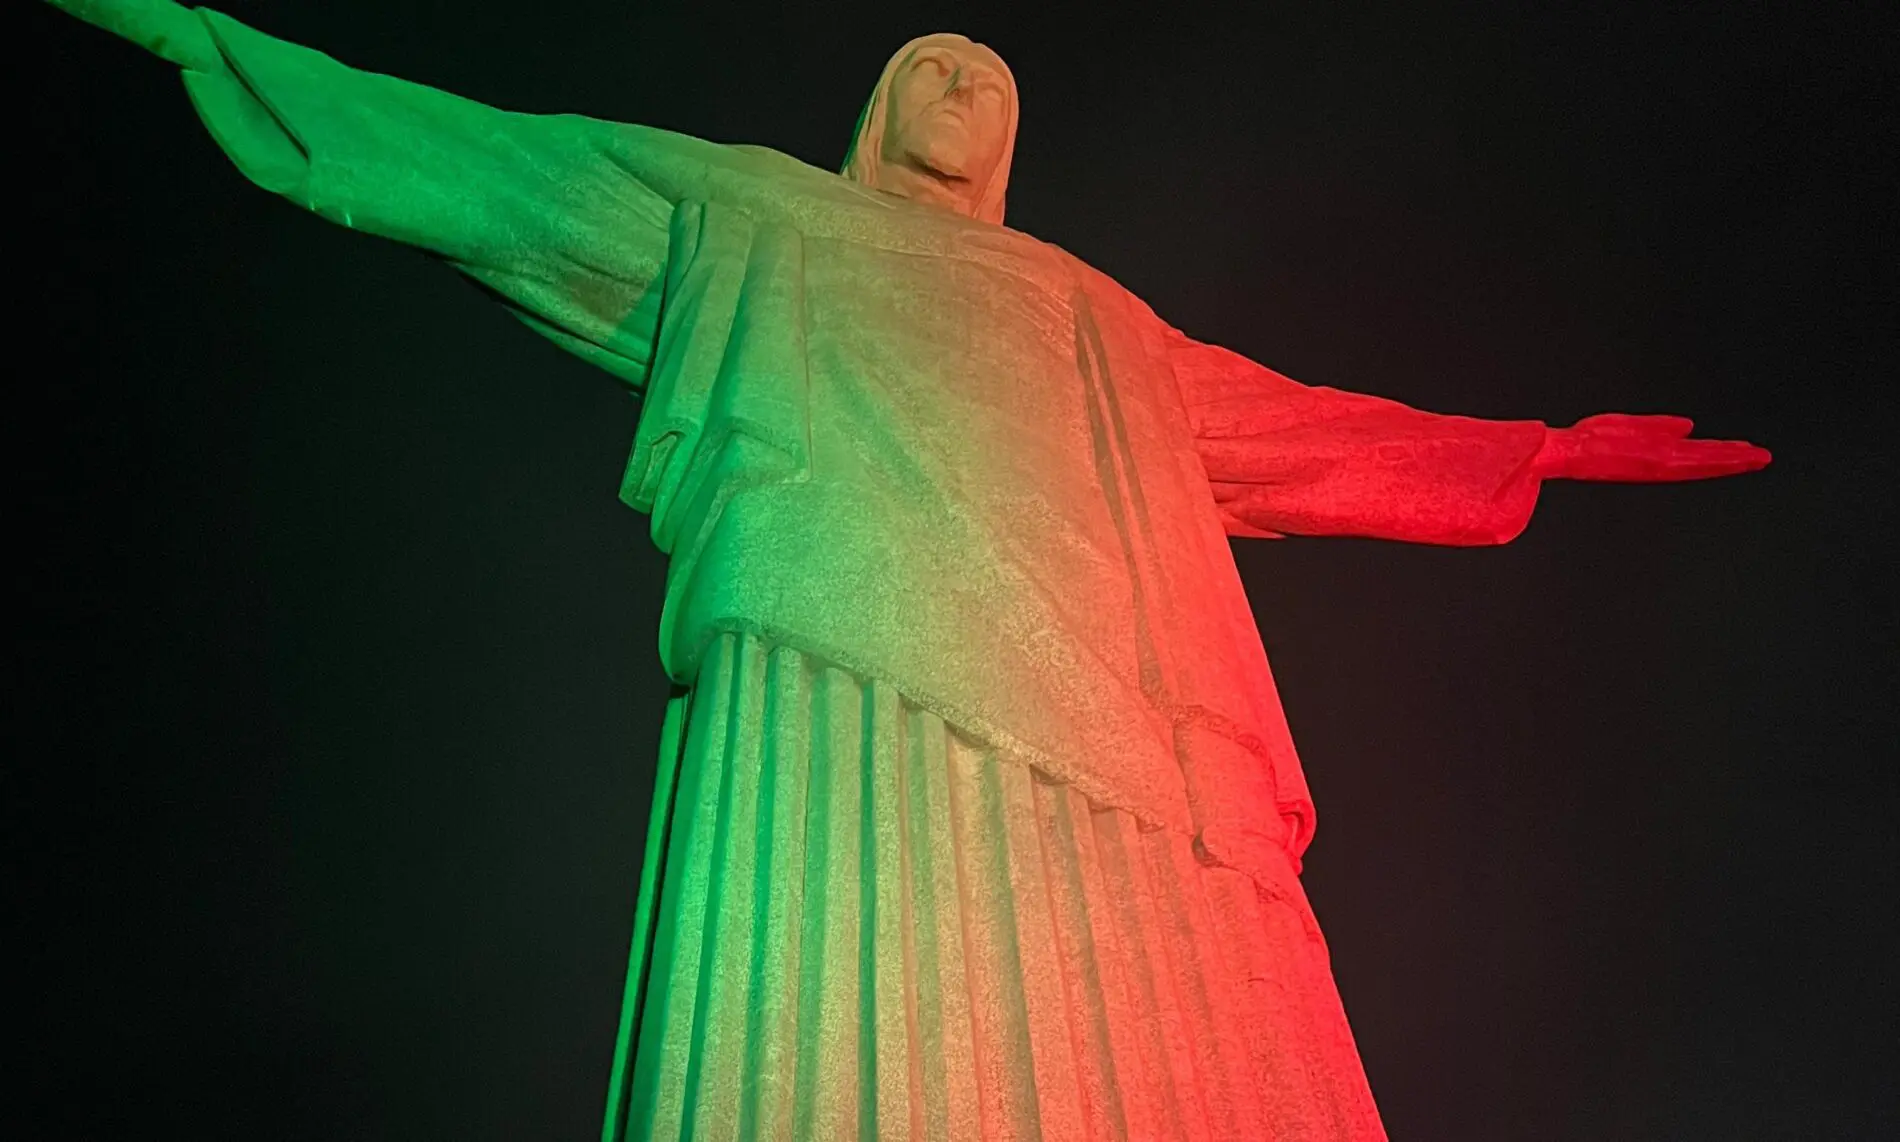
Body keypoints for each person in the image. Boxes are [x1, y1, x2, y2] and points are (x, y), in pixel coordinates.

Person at [42, 4, 1770, 1139]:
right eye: (938, 63)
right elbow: (517, 168)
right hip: (833, 658)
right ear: (882, 98)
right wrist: (224, 46)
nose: (964, 88)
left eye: (994, 83)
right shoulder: (758, 209)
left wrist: (1535, 449)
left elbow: (1301, 429)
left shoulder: (1097, 317)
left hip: (1117, 728)